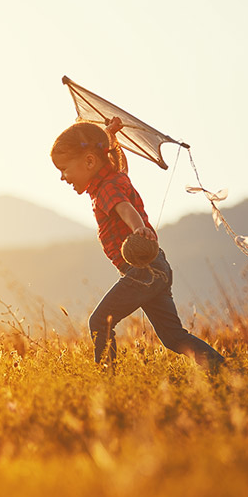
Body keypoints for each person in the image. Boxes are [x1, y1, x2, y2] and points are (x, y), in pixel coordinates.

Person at [50, 117, 224, 370]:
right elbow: (112, 166)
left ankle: (107, 378)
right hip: (157, 269)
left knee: (100, 321)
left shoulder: (108, 189)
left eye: (64, 169)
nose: (63, 177)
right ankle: (225, 371)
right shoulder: (114, 179)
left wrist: (138, 228)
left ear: (89, 161)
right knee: (174, 337)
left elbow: (125, 208)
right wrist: (108, 135)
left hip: (144, 272)